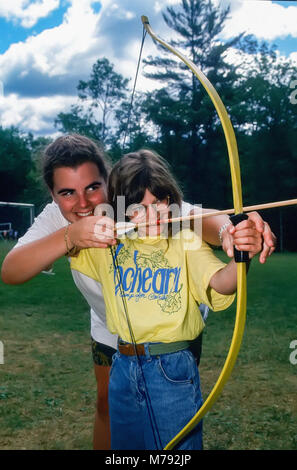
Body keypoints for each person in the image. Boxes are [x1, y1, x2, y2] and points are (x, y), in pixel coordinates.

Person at [1, 134, 276, 450]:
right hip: (114, 335)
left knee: (169, 425)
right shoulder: (61, 216)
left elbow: (202, 219)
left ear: (110, 180)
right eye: (67, 193)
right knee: (111, 410)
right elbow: (12, 269)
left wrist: (235, 235)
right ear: (53, 194)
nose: (84, 202)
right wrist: (71, 235)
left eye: (93, 187)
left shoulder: (142, 196)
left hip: (172, 338)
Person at [69, 149, 263, 450]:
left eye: (160, 202)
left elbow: (221, 284)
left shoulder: (184, 241)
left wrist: (242, 255)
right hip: (121, 366)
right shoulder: (108, 244)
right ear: (122, 210)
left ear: (171, 201)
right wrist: (84, 231)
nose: (154, 214)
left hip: (170, 369)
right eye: (139, 207)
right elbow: (67, 246)